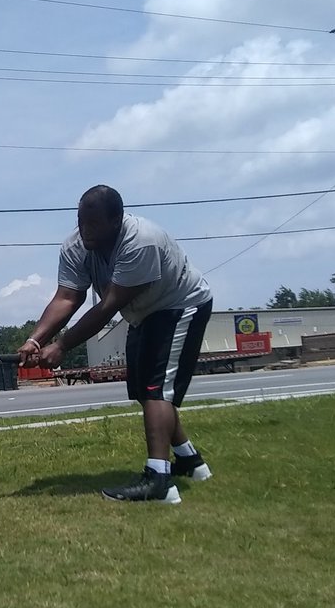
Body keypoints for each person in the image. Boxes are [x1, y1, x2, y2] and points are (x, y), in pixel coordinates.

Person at [18, 185, 213, 504]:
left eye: (93, 224)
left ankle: (159, 482)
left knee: (157, 391)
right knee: (144, 391)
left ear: (116, 220)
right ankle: (191, 461)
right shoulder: (76, 246)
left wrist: (62, 345)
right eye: (81, 222)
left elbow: (108, 306)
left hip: (180, 304)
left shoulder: (141, 241)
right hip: (142, 314)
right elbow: (67, 297)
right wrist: (34, 340)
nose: (85, 231)